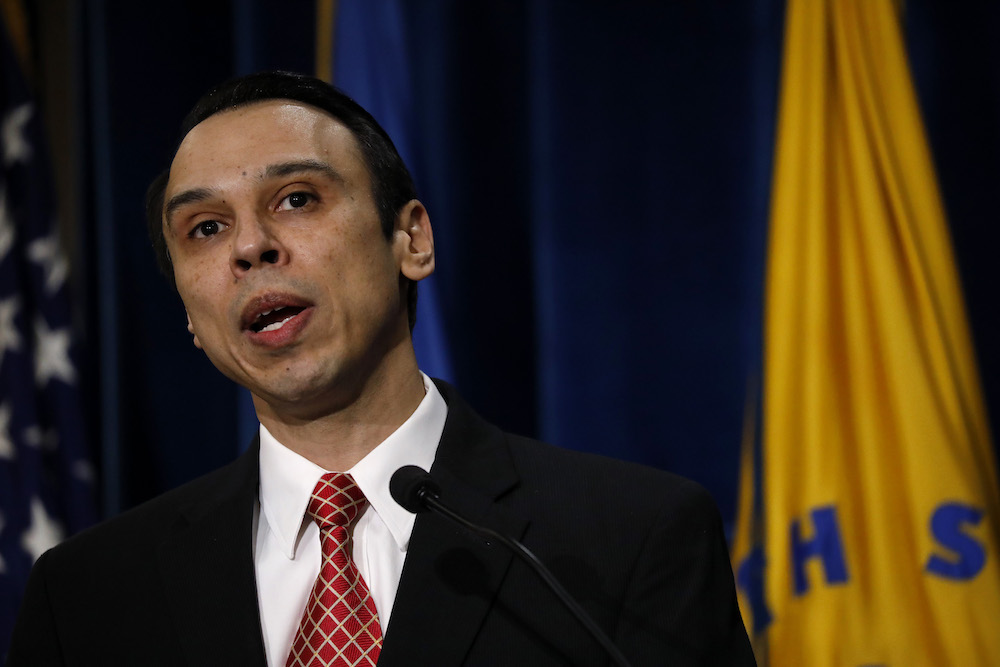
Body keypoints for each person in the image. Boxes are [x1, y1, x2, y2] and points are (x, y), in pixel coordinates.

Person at [6, 71, 755, 666]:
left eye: (297, 199)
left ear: (412, 240)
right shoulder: (89, 596)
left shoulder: (624, 541)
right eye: (205, 228)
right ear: (190, 318)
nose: (250, 248)